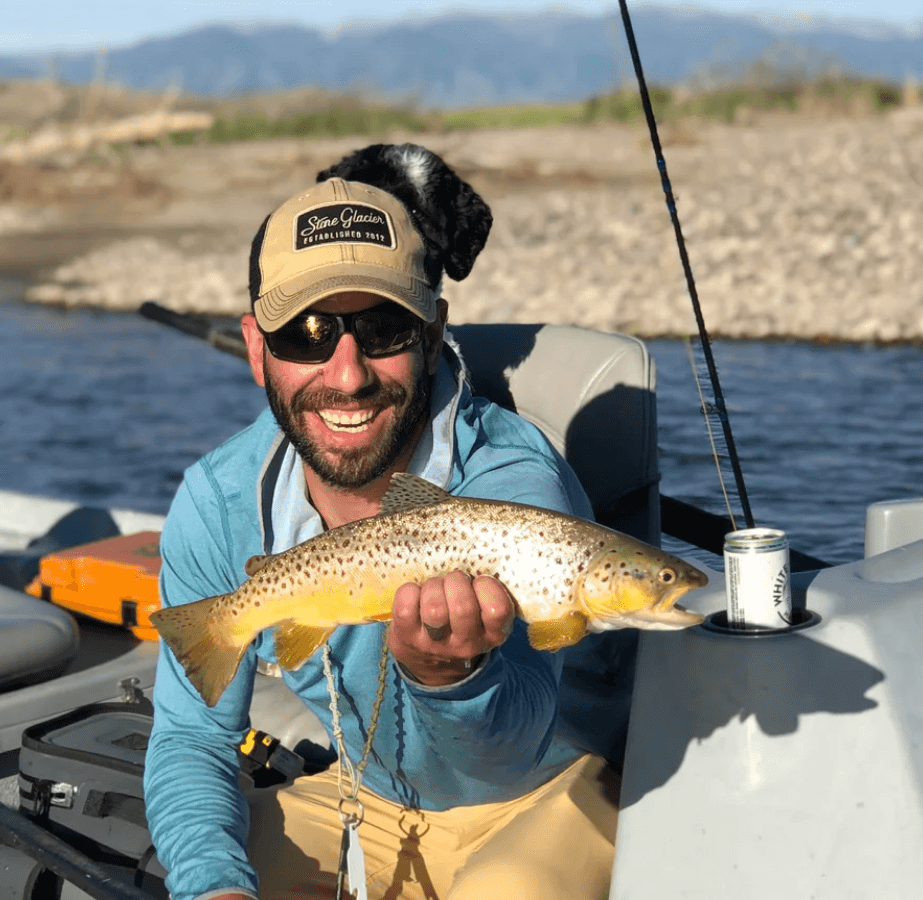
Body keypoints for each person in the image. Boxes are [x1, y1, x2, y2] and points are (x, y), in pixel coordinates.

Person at [145, 143, 620, 900]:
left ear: (433, 334)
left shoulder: (512, 495)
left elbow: (498, 759)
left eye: (381, 330)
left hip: (546, 792)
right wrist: (212, 887)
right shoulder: (219, 499)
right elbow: (191, 737)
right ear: (254, 348)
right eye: (304, 333)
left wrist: (453, 679)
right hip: (360, 800)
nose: (345, 374)